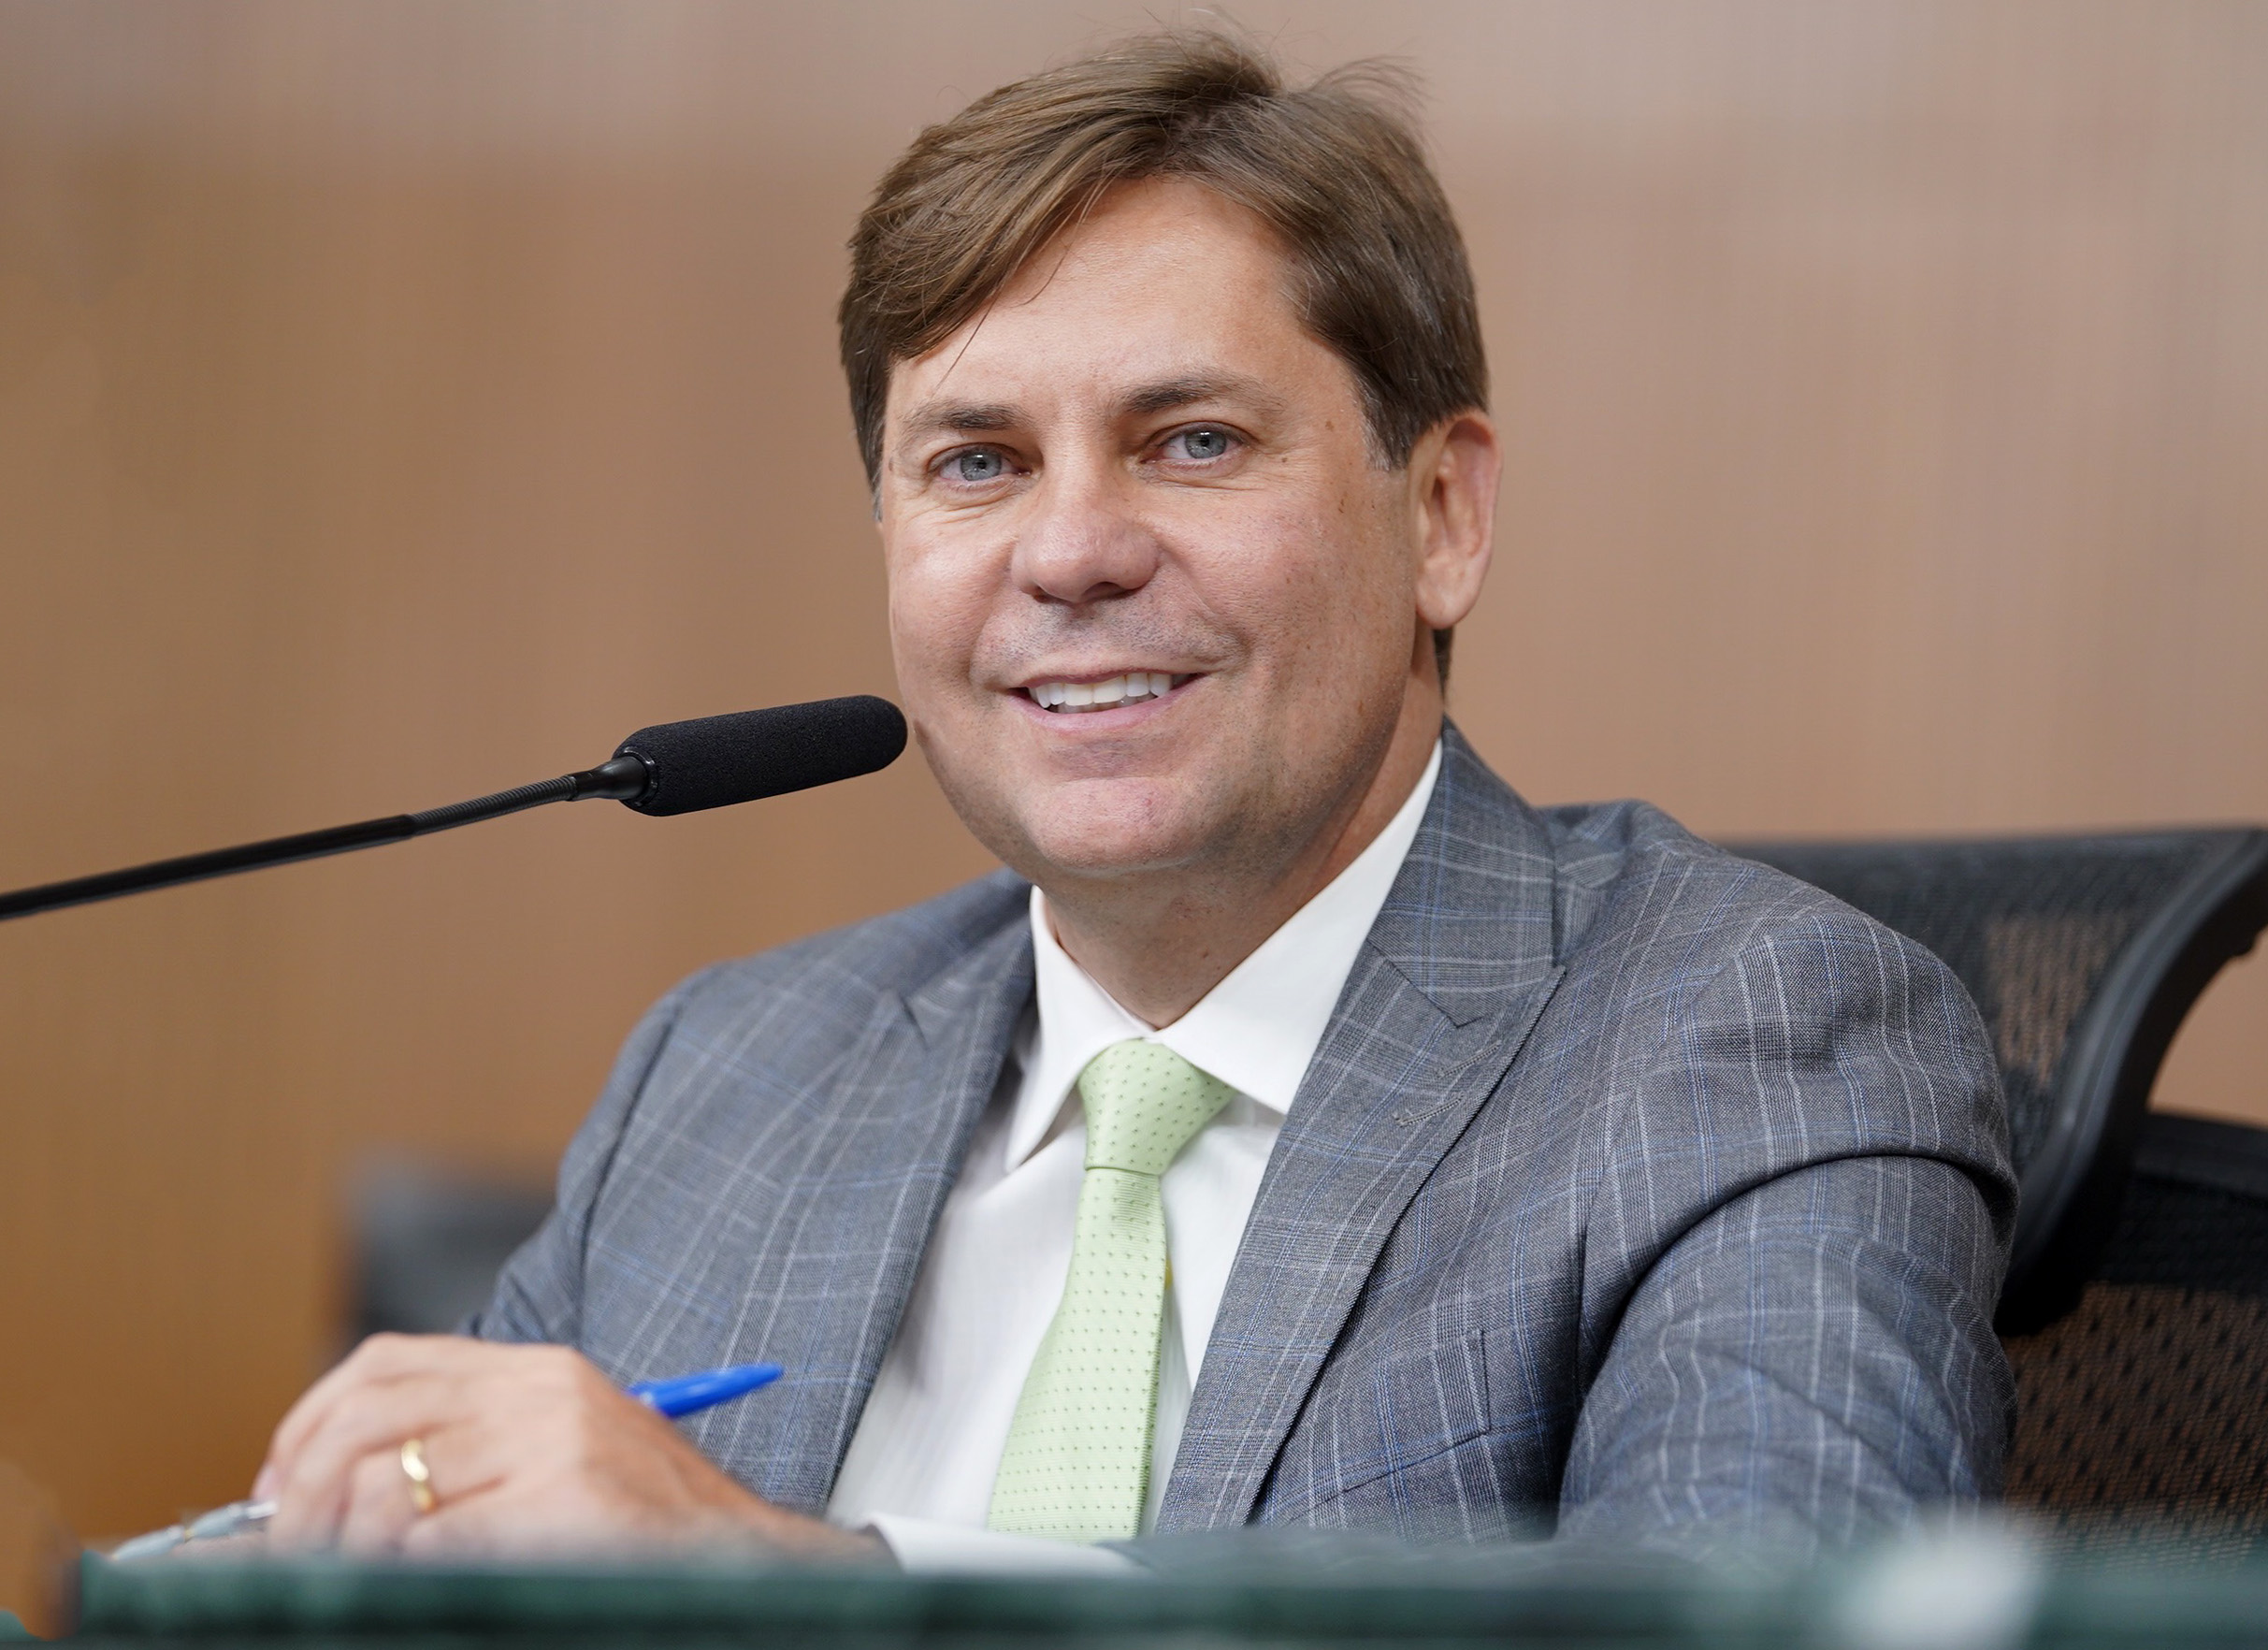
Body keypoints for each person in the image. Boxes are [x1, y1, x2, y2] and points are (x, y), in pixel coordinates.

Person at [252, 31, 2014, 1570]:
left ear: (1442, 517)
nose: (1074, 552)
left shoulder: (1751, 1049)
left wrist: (800, 1589)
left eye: (1193, 441)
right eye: (978, 462)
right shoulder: (729, 1080)